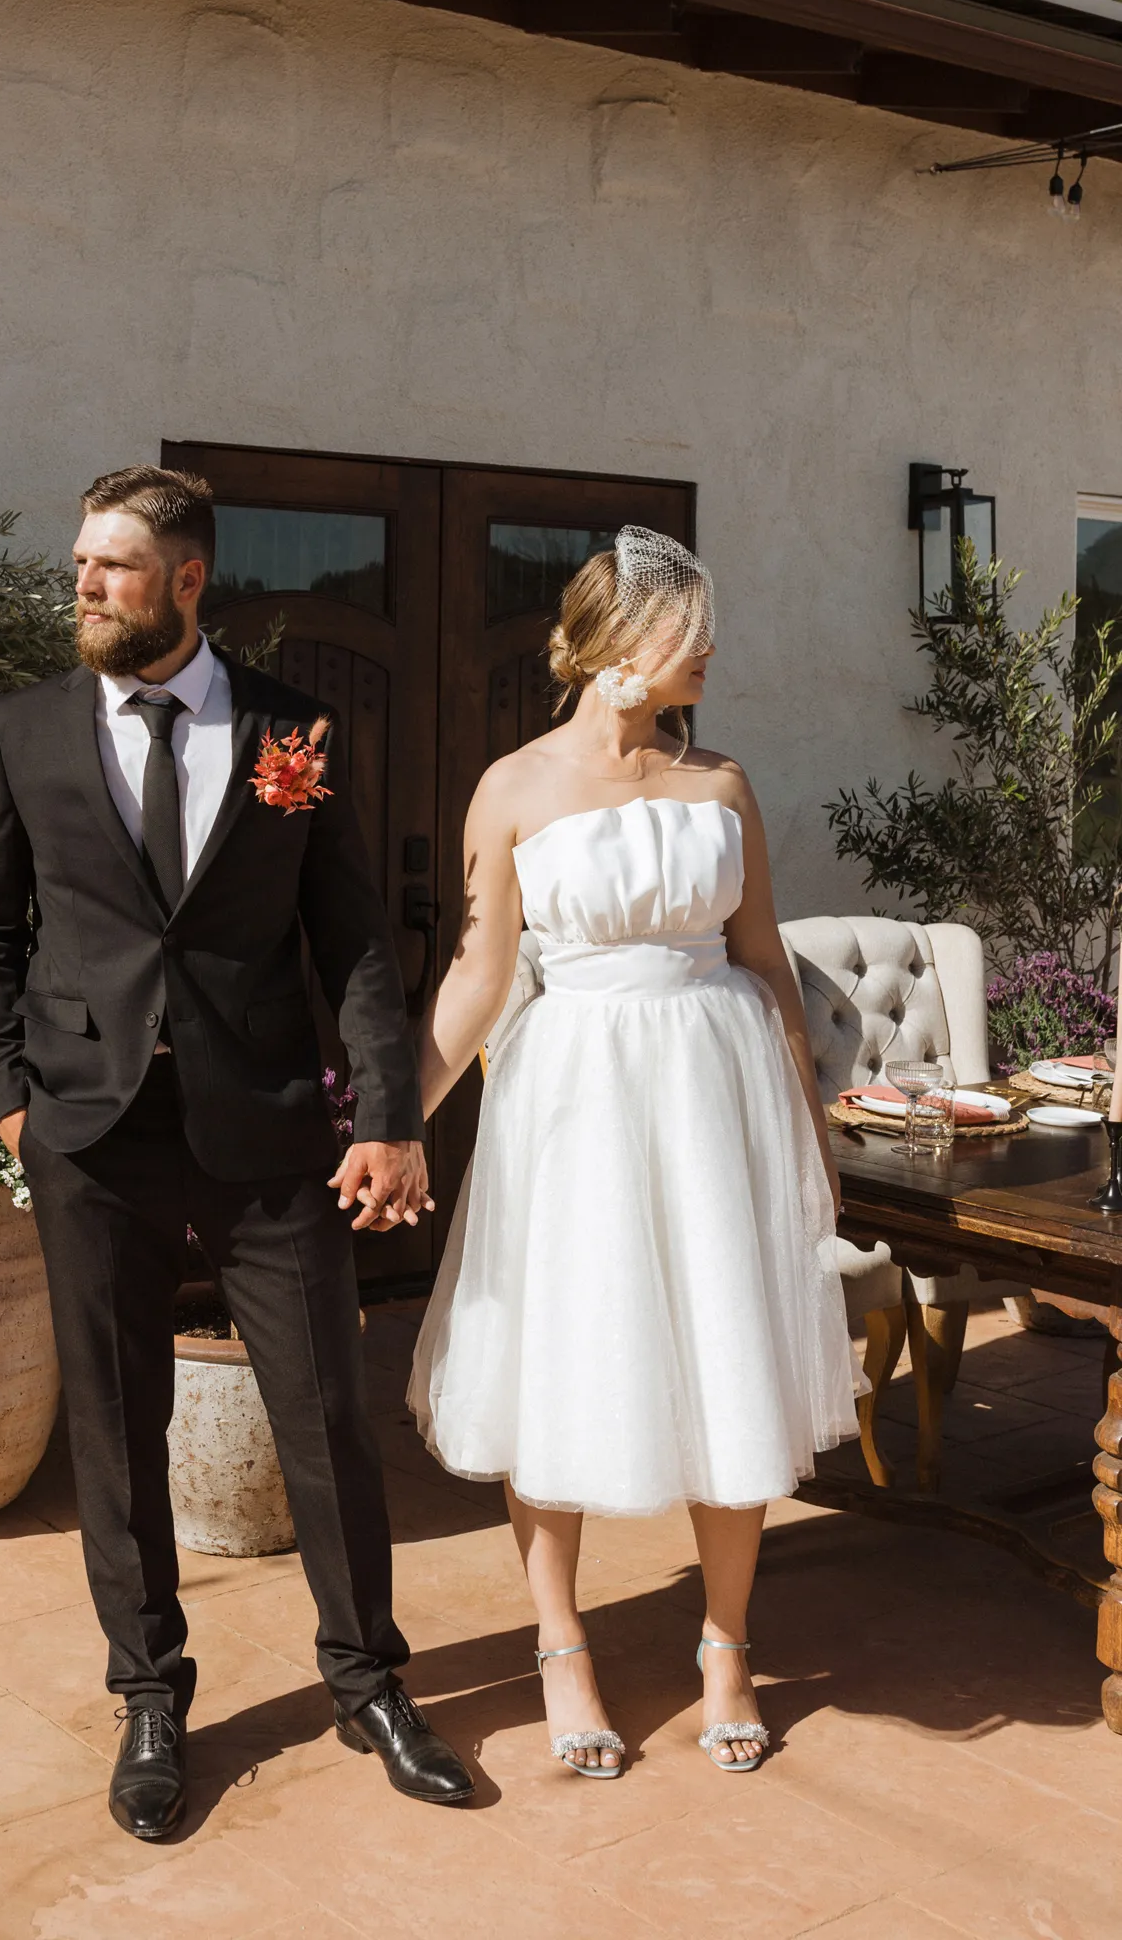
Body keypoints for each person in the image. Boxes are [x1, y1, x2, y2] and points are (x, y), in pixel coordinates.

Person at [0, 464, 473, 1841]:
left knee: (327, 1415)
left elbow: (353, 941)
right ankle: (150, 1697)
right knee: (118, 1425)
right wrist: (12, 1104)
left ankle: (367, 1683)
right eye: (79, 562)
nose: (84, 584)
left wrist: (388, 1116)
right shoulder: (22, 731)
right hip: (90, 1134)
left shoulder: (291, 732)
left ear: (187, 580)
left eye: (112, 565)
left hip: (266, 1131)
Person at [409, 528, 856, 1778]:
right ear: (617, 639)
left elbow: (763, 964)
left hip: (716, 1093)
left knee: (730, 1352)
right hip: (573, 1103)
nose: (710, 649)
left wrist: (809, 1130)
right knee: (558, 1356)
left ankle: (726, 1646)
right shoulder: (511, 788)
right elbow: (478, 978)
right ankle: (561, 1647)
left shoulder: (722, 784)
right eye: (688, 628)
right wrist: (391, 1121)